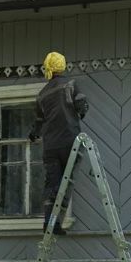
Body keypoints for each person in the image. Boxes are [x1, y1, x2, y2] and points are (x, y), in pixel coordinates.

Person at [28, 51, 89, 234]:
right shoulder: (70, 85)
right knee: (66, 183)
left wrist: (33, 134)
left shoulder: (42, 95)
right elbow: (82, 105)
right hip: (70, 142)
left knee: (52, 184)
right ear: (62, 66)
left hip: (51, 147)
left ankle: (49, 222)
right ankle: (58, 221)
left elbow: (38, 123)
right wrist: (80, 113)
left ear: (48, 68)